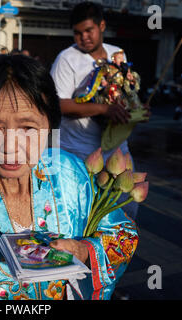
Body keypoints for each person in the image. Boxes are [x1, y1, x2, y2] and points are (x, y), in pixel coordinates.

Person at [0, 54, 138, 300]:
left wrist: (85, 250)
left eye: (28, 128)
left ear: (50, 125)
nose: (11, 146)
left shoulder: (74, 176)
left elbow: (123, 234)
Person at [50, 1, 138, 218]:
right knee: (83, 216)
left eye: (89, 31)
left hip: (117, 149)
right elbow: (58, 104)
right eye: (78, 33)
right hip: (79, 152)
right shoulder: (66, 59)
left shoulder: (117, 54)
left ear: (102, 26)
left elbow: (126, 92)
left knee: (125, 214)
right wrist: (102, 110)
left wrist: (138, 111)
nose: (83, 38)